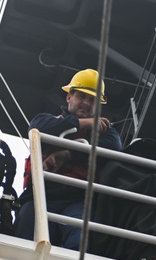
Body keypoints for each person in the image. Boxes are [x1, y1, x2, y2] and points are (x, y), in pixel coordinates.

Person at [15, 68, 123, 249]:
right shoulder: (47, 120)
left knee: (78, 243)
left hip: (77, 201)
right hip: (39, 197)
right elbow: (36, 127)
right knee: (25, 243)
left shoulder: (108, 133)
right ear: (69, 97)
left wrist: (67, 155)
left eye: (92, 100)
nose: (86, 103)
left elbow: (112, 148)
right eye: (81, 96)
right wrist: (82, 123)